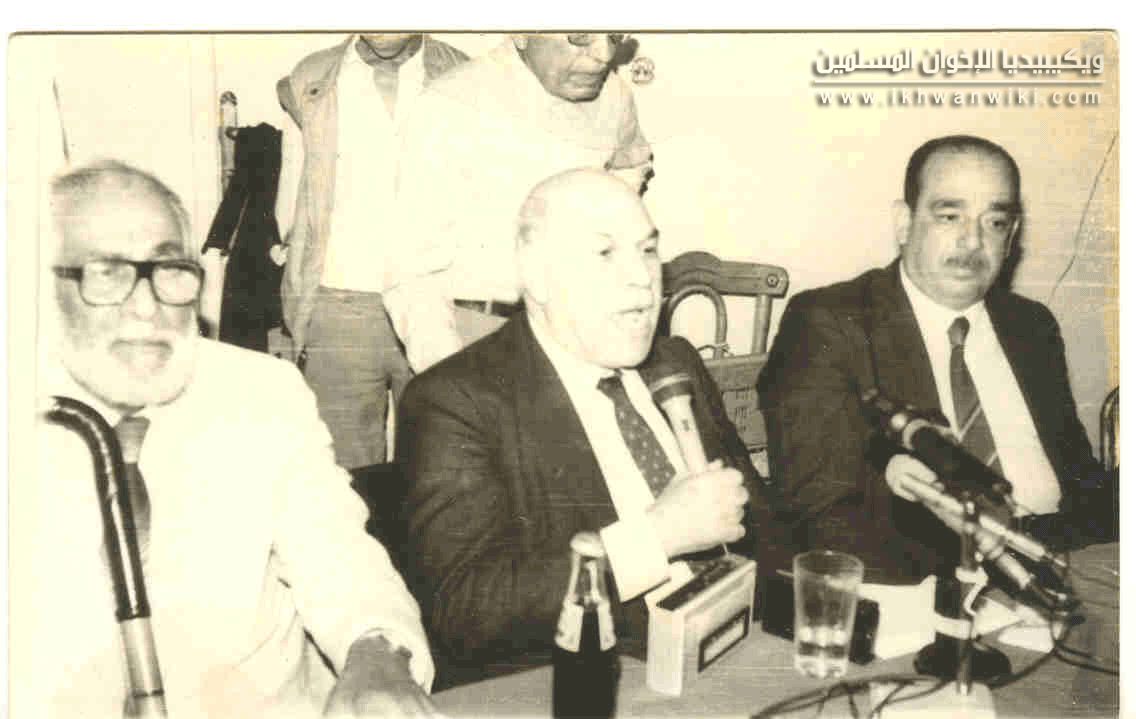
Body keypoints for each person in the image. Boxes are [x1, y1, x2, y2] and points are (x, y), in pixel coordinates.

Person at [31, 161, 437, 718]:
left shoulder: (261, 392)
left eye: (170, 269)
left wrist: (377, 657)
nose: (147, 306)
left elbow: (339, 558)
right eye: (106, 273)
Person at [395, 169, 769, 689]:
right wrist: (657, 536)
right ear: (537, 276)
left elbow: (764, 527)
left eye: (647, 250)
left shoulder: (675, 362)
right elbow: (464, 611)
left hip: (736, 655)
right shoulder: (457, 401)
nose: (642, 278)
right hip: (596, 684)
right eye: (604, 253)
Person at [757, 135, 1117, 585]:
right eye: (950, 216)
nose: (973, 241)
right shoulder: (830, 322)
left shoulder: (1032, 326)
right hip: (935, 585)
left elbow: (1081, 480)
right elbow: (820, 511)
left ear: (1012, 236)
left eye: (995, 222)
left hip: (1069, 564)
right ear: (904, 222)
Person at [388, 33, 654, 373]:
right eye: (581, 36)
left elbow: (632, 161)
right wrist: (451, 379)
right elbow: (412, 273)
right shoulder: (450, 104)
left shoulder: (614, 96)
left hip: (583, 335)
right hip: (479, 336)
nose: (604, 55)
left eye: (614, 36)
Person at [276, 34, 467, 470]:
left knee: (443, 467)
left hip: (439, 305)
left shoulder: (464, 74)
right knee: (345, 475)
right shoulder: (312, 76)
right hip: (339, 306)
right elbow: (292, 193)